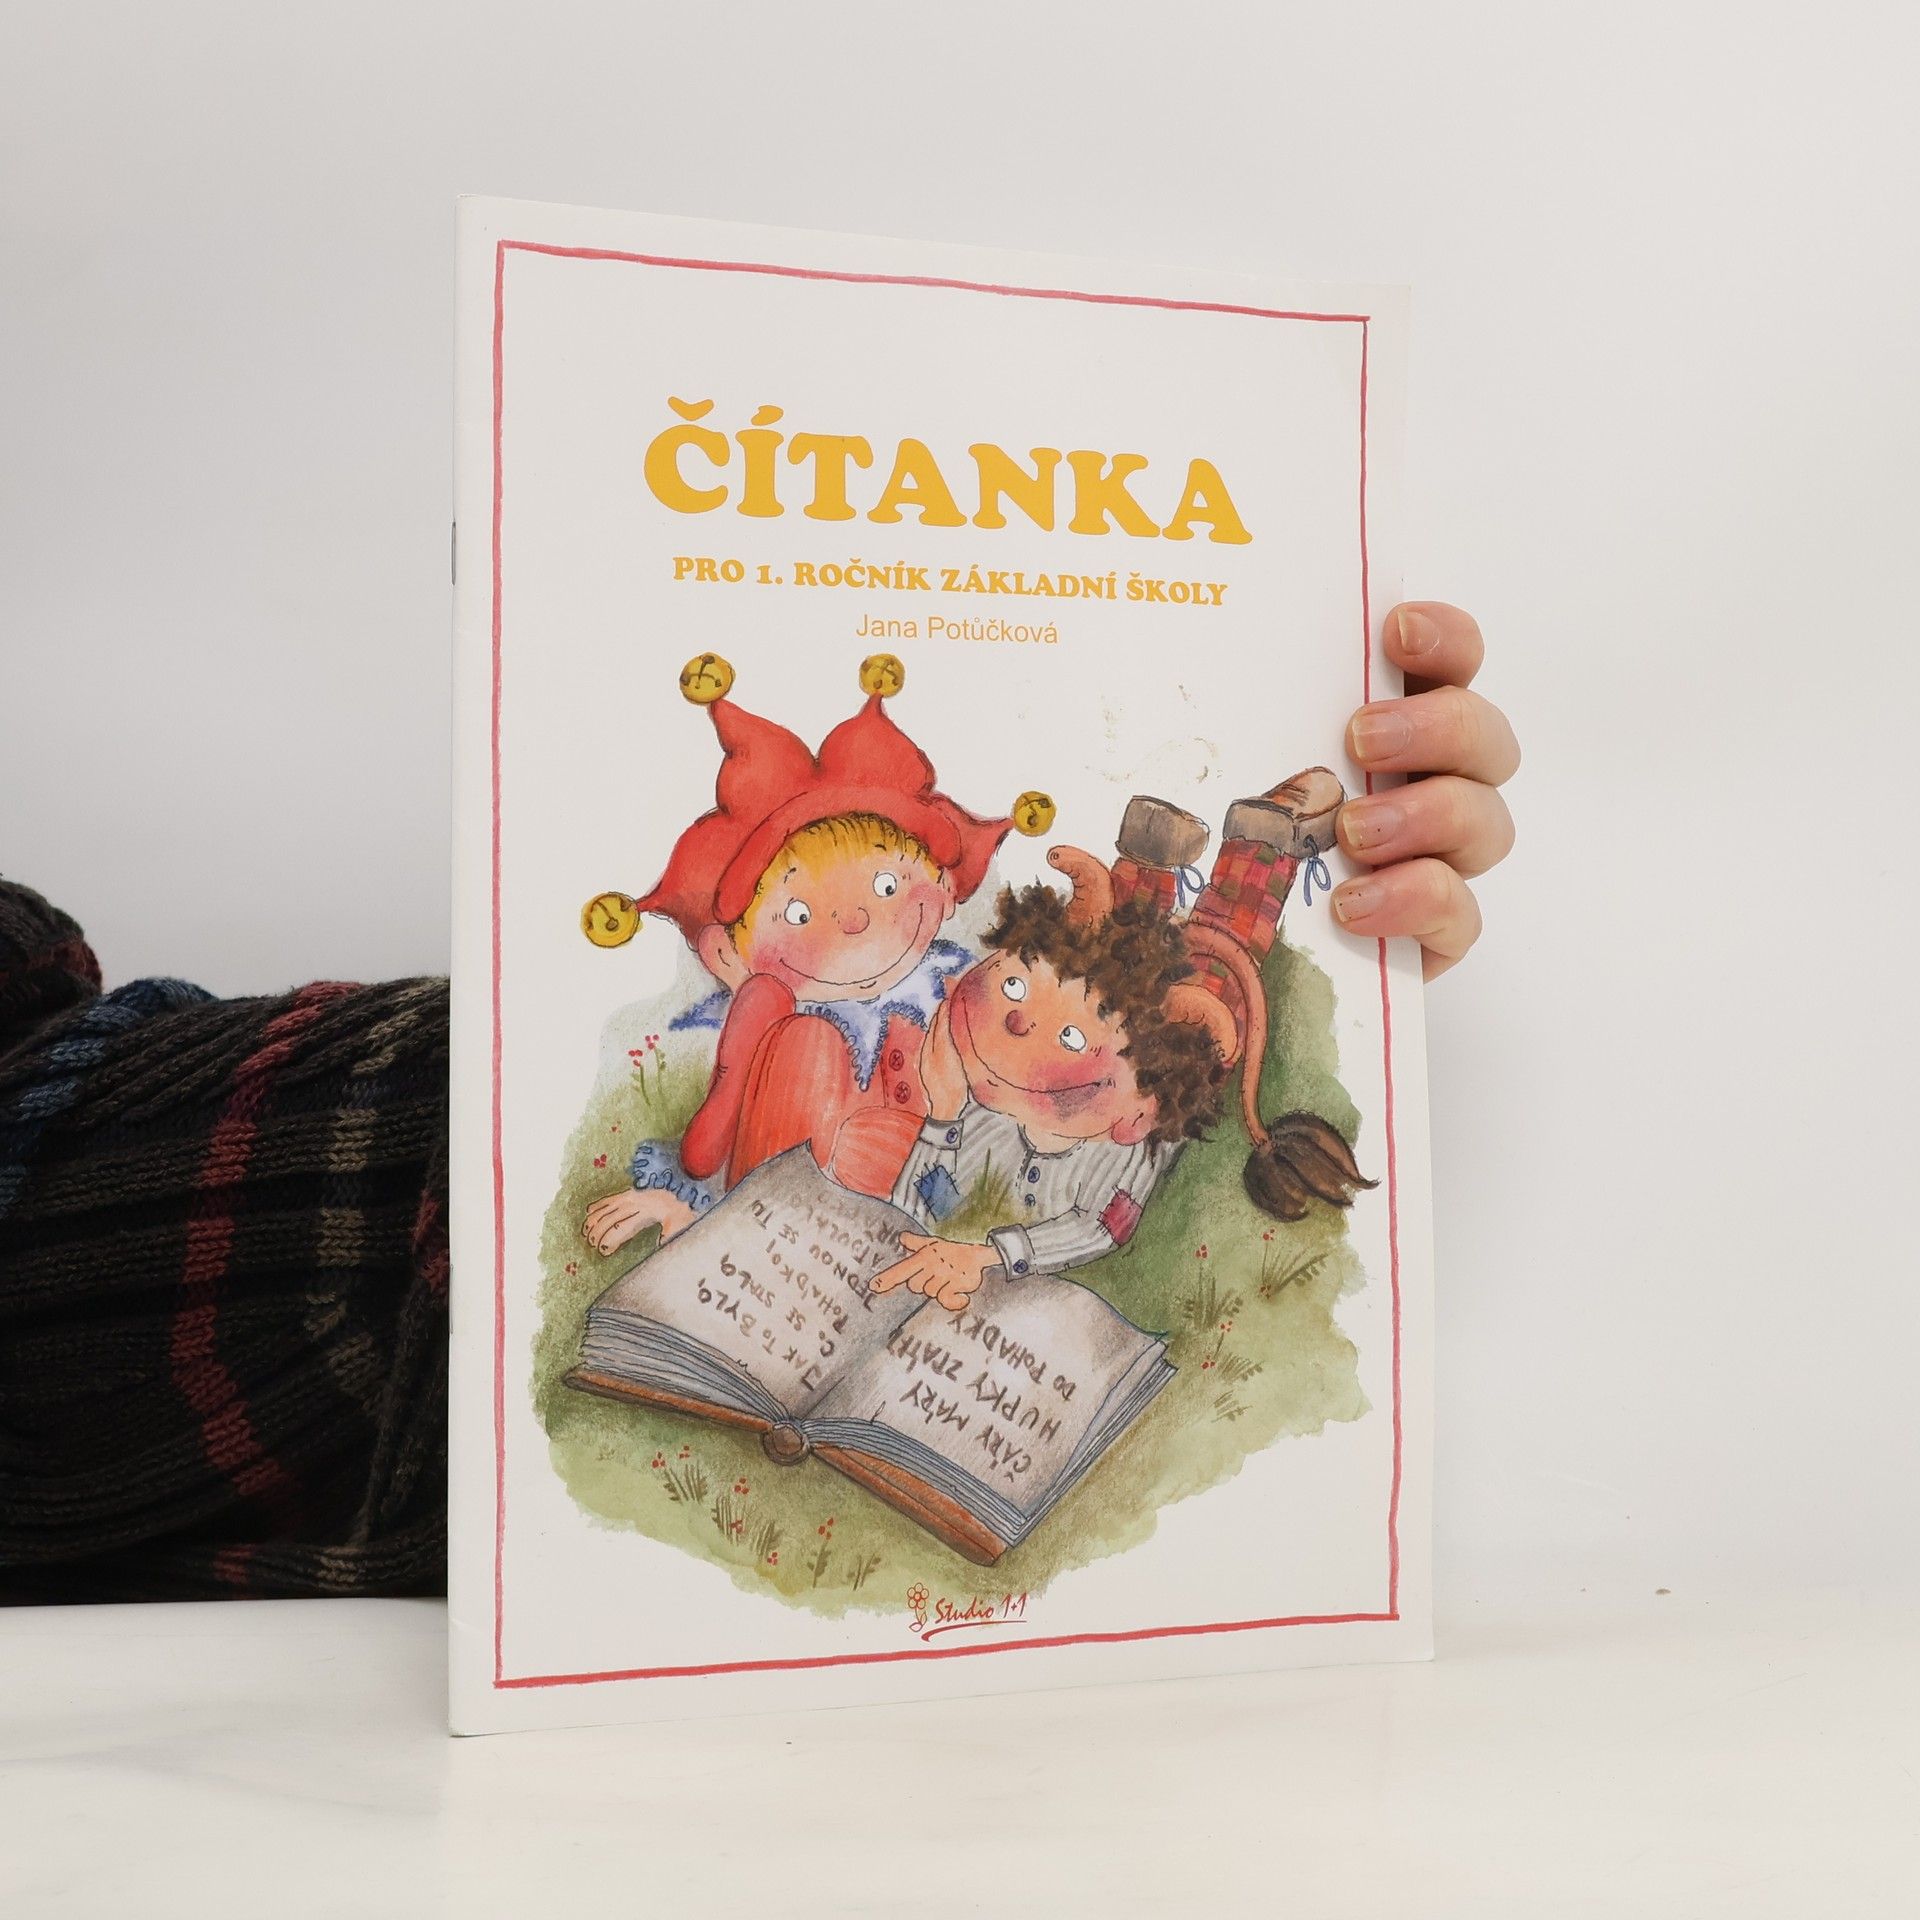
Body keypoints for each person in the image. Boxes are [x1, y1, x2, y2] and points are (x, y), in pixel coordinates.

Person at [0, 603, 1517, 1601]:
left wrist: (1356, 967)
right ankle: (1195, 873)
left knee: (1182, 962)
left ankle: (1252, 864)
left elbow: (1076, 1195)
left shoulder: (1090, 1117)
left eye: (890, 889)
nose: (858, 925)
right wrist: (671, 1194)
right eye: (804, 905)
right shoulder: (843, 1038)